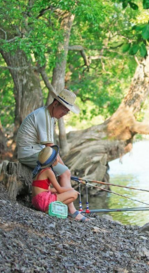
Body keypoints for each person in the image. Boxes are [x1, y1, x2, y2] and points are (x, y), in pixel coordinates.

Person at [16, 89, 88, 221]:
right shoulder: (43, 116)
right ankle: (72, 211)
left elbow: (50, 148)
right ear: (55, 103)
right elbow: (50, 147)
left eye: (67, 112)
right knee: (65, 172)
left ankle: (67, 207)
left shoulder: (49, 116)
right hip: (29, 153)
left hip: (37, 151)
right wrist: (63, 167)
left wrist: (62, 167)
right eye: (63, 110)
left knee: (64, 172)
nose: (64, 114)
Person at [32, 146, 84, 220]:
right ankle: (49, 210)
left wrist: (66, 190)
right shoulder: (49, 171)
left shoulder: (40, 170)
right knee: (74, 194)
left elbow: (48, 189)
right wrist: (70, 189)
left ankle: (53, 209)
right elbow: (59, 189)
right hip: (43, 202)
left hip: (36, 201)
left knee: (67, 193)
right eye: (57, 156)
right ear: (54, 160)